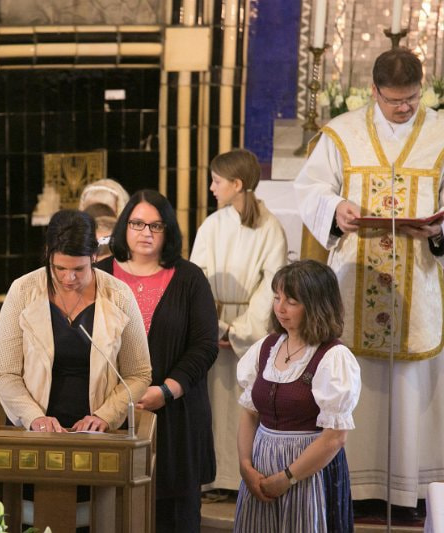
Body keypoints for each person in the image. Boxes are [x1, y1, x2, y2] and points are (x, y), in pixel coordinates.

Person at [294, 47, 444, 516]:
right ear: (374, 91)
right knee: (353, 380)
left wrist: (438, 230)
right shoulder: (342, 133)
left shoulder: (440, 132)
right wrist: (335, 209)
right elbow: (309, 190)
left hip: (418, 279)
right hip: (354, 277)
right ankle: (356, 489)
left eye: (413, 98)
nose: (405, 107)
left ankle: (408, 492)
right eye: (395, 100)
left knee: (410, 387)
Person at [96, 189, 218, 532]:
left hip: (176, 414)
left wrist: (165, 391)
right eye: (137, 223)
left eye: (156, 225)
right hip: (112, 413)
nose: (146, 233)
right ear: (124, 226)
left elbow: (204, 346)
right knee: (113, 514)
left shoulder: (190, 278)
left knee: (174, 518)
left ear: (168, 230)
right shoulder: (99, 275)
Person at [0, 209, 151, 434]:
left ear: (94, 256)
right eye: (59, 268)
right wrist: (33, 416)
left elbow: (139, 374)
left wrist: (105, 415)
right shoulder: (23, 291)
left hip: (98, 431)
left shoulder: (119, 295)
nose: (68, 278)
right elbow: (4, 372)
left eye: (78, 269)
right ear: (48, 254)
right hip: (36, 430)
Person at [234, 260, 361, 532]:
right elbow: (249, 413)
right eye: (277, 298)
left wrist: (287, 478)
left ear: (316, 305)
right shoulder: (266, 346)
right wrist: (245, 466)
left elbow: (335, 437)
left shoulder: (332, 357)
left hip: (307, 474)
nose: (280, 308)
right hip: (260, 470)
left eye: (291, 301)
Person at [190, 149, 288, 493]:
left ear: (236, 184)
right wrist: (210, 323)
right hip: (213, 321)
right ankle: (212, 478)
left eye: (216, 181)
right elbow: (197, 276)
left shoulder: (271, 228)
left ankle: (240, 476)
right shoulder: (212, 225)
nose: (212, 188)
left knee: (243, 403)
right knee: (213, 404)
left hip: (250, 327)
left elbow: (272, 284)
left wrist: (241, 330)